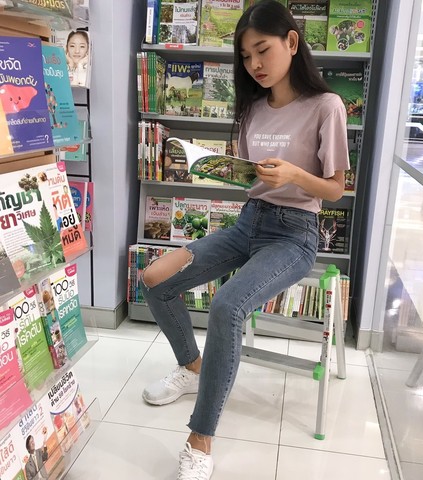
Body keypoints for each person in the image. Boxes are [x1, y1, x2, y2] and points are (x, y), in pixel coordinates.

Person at [140, 1, 349, 478]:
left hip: (294, 234)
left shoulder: (327, 106)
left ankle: (200, 438)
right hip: (248, 222)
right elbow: (252, 178)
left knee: (227, 306)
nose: (254, 63)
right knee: (155, 278)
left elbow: (336, 188)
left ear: (291, 43)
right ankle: (192, 368)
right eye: (246, 55)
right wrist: (226, 169)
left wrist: (294, 174)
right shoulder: (253, 108)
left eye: (262, 50)